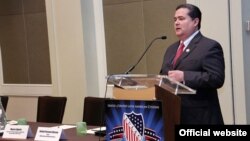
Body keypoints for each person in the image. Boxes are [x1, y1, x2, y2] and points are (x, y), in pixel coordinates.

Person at [160, 3, 225, 124]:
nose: (176, 23)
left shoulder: (209, 46)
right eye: (175, 19)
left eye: (181, 19)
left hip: (200, 118)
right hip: (173, 115)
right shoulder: (171, 49)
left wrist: (184, 76)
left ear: (195, 22)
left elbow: (217, 78)